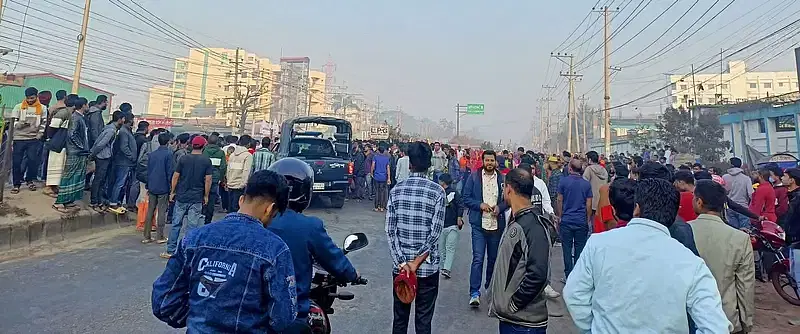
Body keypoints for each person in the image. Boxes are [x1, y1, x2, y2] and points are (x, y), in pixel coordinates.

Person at [563, 178, 731, 333]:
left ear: (636, 208)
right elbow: (716, 327)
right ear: (673, 216)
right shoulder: (691, 263)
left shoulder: (598, 244)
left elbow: (574, 294)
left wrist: (593, 328)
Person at [151, 169, 297, 333]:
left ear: (241, 200)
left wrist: (199, 318)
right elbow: (283, 318)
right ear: (270, 209)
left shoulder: (194, 239)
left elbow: (163, 301)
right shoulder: (275, 249)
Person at [267, 157, 362, 332]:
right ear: (305, 191)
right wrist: (353, 275)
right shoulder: (309, 226)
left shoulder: (256, 220)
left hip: (253, 310)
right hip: (291, 313)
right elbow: (333, 258)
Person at [386, 141, 445, 334]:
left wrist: (403, 263)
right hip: (427, 269)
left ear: (410, 164)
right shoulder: (438, 192)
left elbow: (390, 231)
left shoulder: (396, 191)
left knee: (400, 320)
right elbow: (434, 234)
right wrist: (416, 262)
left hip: (401, 271)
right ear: (429, 165)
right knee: (423, 322)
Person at [489, 168, 552, 334]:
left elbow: (538, 274)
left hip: (524, 324)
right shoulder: (520, 219)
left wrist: (514, 304)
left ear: (508, 188)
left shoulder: (532, 225)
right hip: (514, 320)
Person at [690, 180, 755, 333]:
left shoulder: (684, 231)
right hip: (726, 319)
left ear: (699, 202)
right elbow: (746, 287)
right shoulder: (740, 238)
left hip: (692, 319)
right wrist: (746, 322)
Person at [463, 150, 507, 307]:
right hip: (478, 224)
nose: (489, 163)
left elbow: (508, 200)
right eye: (487, 160)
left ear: (495, 162)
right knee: (478, 259)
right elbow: (465, 197)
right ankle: (474, 292)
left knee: (493, 260)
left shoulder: (502, 179)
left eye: (492, 160)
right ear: (483, 161)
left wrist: (499, 208)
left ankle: (489, 288)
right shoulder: (474, 177)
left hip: (496, 226)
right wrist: (479, 205)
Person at [162, 136, 213, 259]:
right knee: (192, 226)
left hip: (182, 196)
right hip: (196, 197)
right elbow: (208, 180)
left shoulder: (184, 159)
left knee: (176, 224)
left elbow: (175, 176)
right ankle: (188, 252)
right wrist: (206, 195)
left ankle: (170, 250)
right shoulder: (206, 161)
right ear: (204, 146)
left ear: (191, 145)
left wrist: (172, 191)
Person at [556, 159, 592, 282]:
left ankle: (568, 276)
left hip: (566, 220)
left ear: (570, 168)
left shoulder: (563, 182)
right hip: (581, 221)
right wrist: (587, 220)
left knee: (566, 249)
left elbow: (559, 200)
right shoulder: (586, 184)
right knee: (579, 250)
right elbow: (589, 204)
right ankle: (577, 276)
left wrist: (560, 216)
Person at [7, 87, 47, 194]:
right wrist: (20, 124)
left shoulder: (42, 108)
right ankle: (16, 184)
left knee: (33, 161)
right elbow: (13, 123)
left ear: (36, 96)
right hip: (19, 138)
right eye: (28, 98)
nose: (30, 100)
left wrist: (40, 134)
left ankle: (29, 180)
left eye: (32, 98)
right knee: (17, 162)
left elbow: (44, 122)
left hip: (33, 139)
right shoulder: (19, 107)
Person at [52, 97, 89, 213]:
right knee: (69, 176)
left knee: (76, 177)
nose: (88, 106)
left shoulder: (79, 117)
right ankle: (59, 203)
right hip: (75, 152)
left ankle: (68, 201)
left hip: (78, 152)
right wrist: (81, 147)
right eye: (87, 104)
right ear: (83, 105)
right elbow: (72, 135)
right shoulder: (76, 118)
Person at [88, 110, 125, 211]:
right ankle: (94, 202)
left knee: (101, 180)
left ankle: (99, 201)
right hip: (103, 157)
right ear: (119, 119)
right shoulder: (111, 130)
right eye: (123, 119)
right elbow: (100, 144)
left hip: (103, 156)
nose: (124, 121)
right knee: (98, 180)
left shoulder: (111, 128)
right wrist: (92, 154)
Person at [143, 132, 173, 244]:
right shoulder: (169, 154)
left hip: (152, 185)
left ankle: (146, 236)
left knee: (150, 210)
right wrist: (172, 188)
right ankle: (160, 236)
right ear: (168, 142)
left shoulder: (152, 154)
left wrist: (148, 184)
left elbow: (148, 171)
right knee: (161, 211)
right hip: (163, 186)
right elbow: (170, 172)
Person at [43, 92, 73, 197]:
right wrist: (53, 138)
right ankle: (48, 187)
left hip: (61, 144)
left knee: (59, 165)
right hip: (57, 143)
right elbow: (53, 126)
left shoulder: (68, 113)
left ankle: (54, 186)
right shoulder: (63, 112)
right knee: (54, 164)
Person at [108, 114, 137, 215]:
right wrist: (132, 157)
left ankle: (117, 201)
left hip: (126, 162)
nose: (133, 122)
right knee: (119, 183)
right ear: (129, 120)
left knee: (121, 183)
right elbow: (124, 147)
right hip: (123, 162)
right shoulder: (124, 132)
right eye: (133, 120)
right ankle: (113, 202)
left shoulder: (127, 131)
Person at [437, 173, 463, 279]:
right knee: (442, 249)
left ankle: (446, 268)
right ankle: (443, 268)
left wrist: (459, 217)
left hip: (451, 225)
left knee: (449, 248)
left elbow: (460, 205)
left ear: (442, 182)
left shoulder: (452, 193)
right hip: (444, 225)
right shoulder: (440, 192)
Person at [202, 133, 227, 225]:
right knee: (211, 199)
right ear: (217, 142)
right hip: (215, 178)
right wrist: (221, 178)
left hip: (203, 178)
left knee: (202, 196)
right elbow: (223, 166)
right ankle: (208, 219)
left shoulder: (204, 151)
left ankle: (202, 215)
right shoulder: (220, 153)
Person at [723, 157, 754, 229]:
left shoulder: (725, 177)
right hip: (743, 208)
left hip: (730, 207)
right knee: (746, 232)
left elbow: (723, 192)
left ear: (731, 165)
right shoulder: (746, 178)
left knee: (733, 231)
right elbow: (751, 194)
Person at [225, 135, 254, 213]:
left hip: (230, 184)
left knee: (230, 208)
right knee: (237, 208)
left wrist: (228, 181)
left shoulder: (232, 155)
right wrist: (243, 184)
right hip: (240, 186)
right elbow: (246, 171)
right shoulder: (248, 156)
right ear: (249, 144)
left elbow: (228, 169)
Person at [583, 151, 608, 216]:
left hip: (591, 201)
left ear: (590, 159)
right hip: (603, 200)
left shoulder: (589, 169)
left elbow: (584, 184)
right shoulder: (603, 169)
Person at [372, 145, 391, 212]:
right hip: (384, 177)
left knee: (377, 191)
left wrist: (371, 173)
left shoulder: (375, 157)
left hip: (377, 176)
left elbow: (373, 166)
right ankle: (382, 207)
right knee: (382, 192)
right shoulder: (386, 158)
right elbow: (388, 168)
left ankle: (376, 207)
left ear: (378, 151)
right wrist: (389, 178)